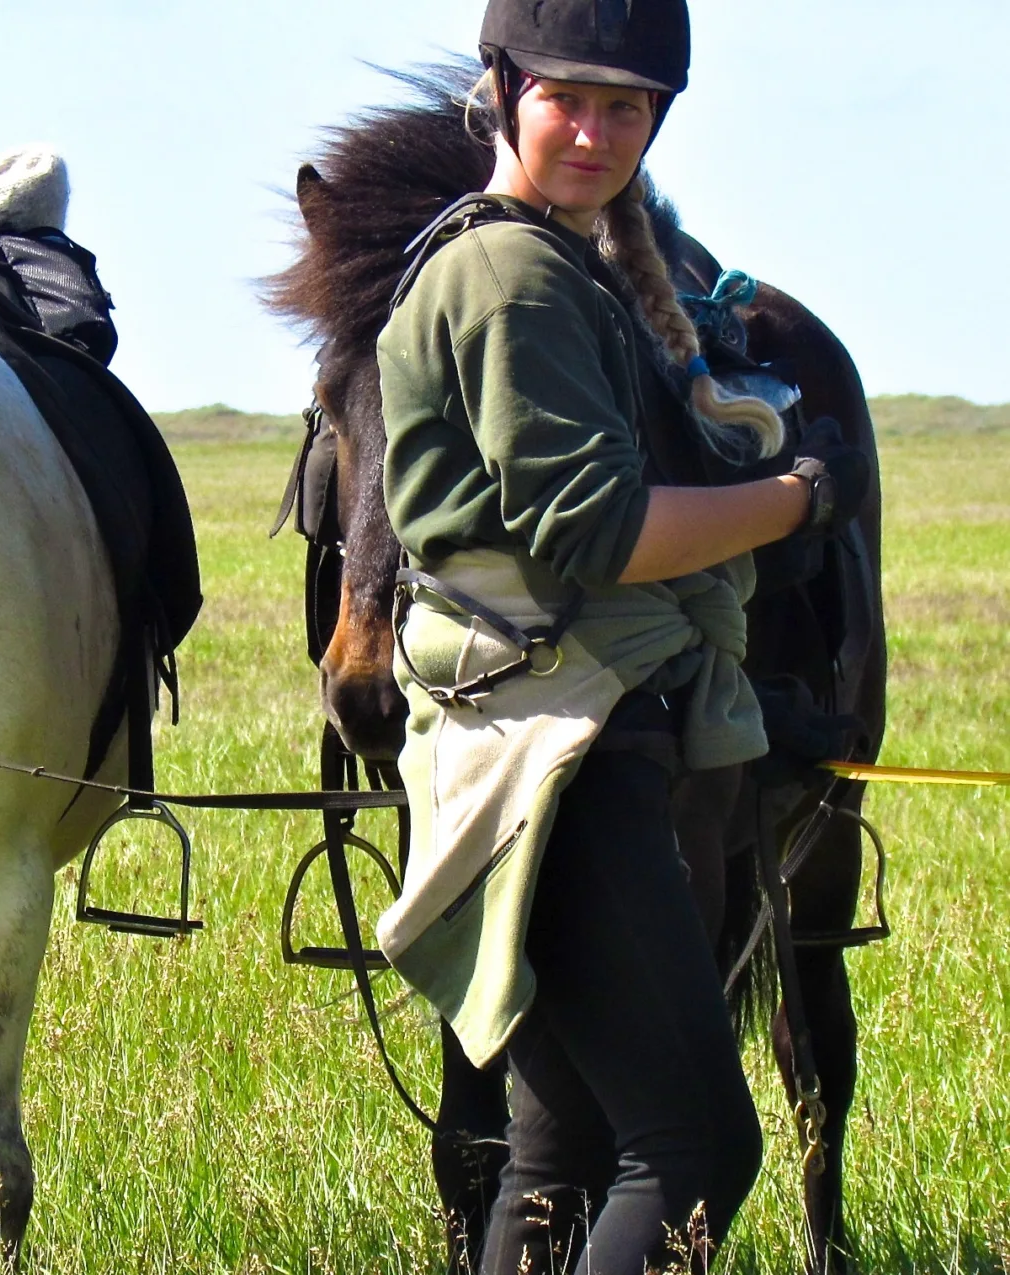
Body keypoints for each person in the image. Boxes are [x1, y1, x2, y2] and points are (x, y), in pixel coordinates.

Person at [371, 1, 871, 1271]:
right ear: (501, 89)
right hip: (567, 751)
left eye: (626, 107)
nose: (595, 131)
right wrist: (796, 497)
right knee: (697, 1150)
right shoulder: (513, 274)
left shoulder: (541, 260)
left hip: (547, 728)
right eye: (565, 97)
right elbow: (593, 531)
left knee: (561, 1157)